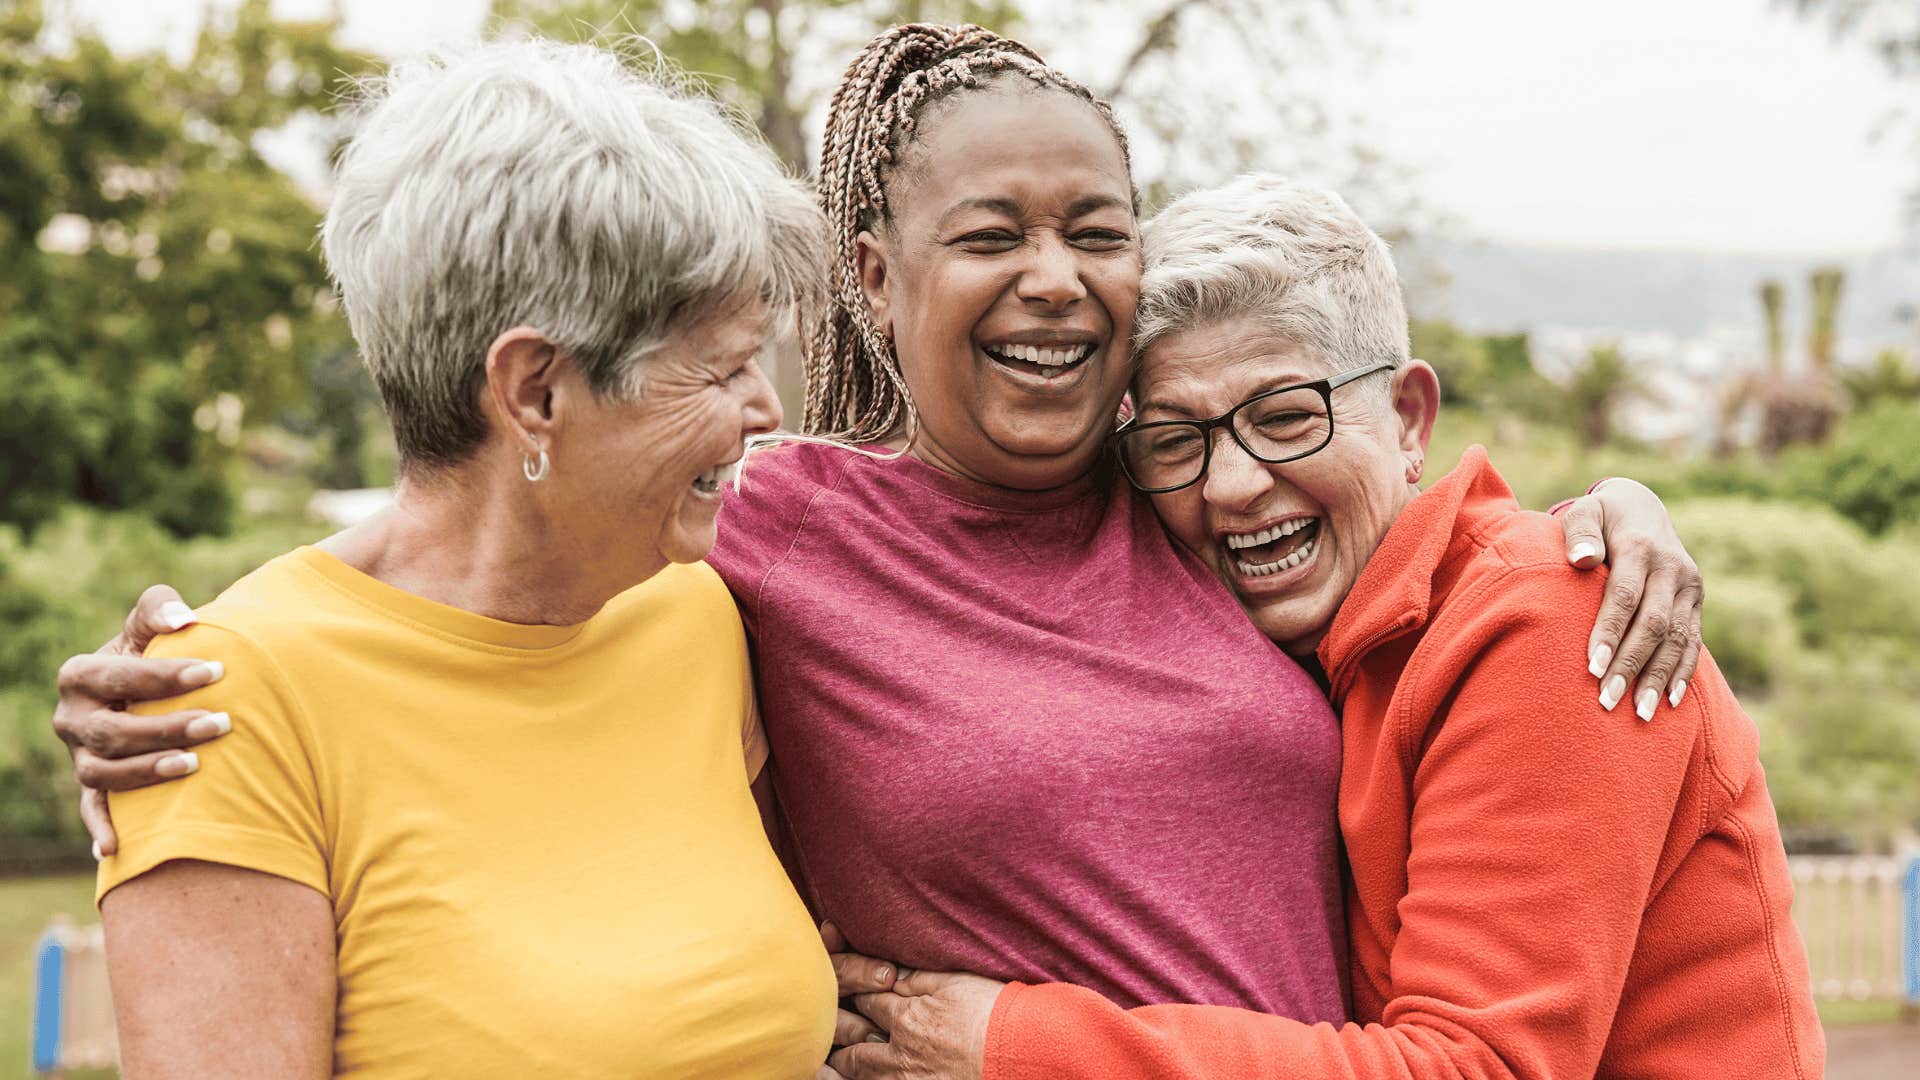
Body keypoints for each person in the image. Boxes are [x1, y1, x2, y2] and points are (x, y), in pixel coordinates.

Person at [56, 24, 1705, 1055]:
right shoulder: (767, 543)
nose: (1057, 280)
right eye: (989, 235)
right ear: (868, 277)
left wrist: (1597, 523)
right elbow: (483, 518)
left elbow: (1380, 518)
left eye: (1098, 234)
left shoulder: (1187, 495)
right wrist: (209, 656)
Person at [825, 176, 1822, 1080]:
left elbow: (1473, 1069)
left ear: (1409, 420)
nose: (1233, 484)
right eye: (1177, 439)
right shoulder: (1308, 637)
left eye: (1287, 416)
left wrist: (1012, 1043)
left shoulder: (1549, 626)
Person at [79, 39, 838, 1078]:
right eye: (724, 368)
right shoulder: (223, 705)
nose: (767, 410)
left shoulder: (696, 609)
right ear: (534, 392)